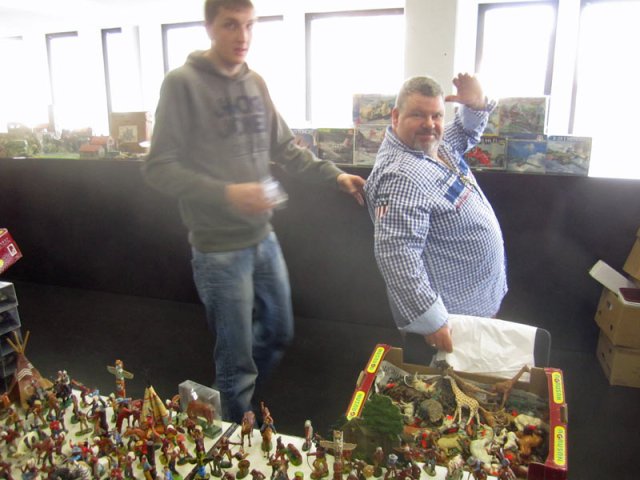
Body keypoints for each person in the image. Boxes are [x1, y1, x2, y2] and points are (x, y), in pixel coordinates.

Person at [142, 0, 365, 423]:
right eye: (231, 25)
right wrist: (228, 194)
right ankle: (234, 431)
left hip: (263, 237)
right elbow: (159, 167)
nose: (242, 36)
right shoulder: (182, 83)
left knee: (278, 332)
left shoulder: (255, 82)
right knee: (235, 361)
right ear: (209, 26)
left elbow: (286, 147)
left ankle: (229, 406)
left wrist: (335, 176)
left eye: (249, 25)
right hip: (218, 249)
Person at [364, 73, 507, 359]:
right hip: (450, 323)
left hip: (473, 307)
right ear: (396, 117)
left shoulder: (431, 145)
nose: (429, 124)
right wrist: (431, 320)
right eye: (418, 115)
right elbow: (396, 254)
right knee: (447, 385)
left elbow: (464, 132)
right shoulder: (400, 175)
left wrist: (476, 104)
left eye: (437, 115)